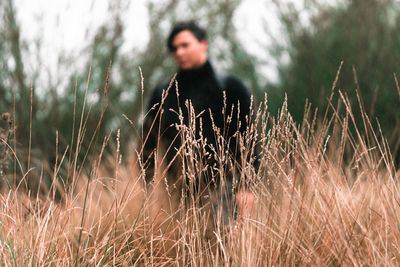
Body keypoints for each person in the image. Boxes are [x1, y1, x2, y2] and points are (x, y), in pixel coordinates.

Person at [140, 21, 257, 221]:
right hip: (177, 189)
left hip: (224, 185)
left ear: (203, 44)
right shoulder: (163, 93)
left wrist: (247, 187)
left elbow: (248, 139)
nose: (179, 52)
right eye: (174, 48)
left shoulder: (231, 88)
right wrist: (146, 186)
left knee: (222, 243)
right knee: (182, 248)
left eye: (185, 45)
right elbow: (147, 143)